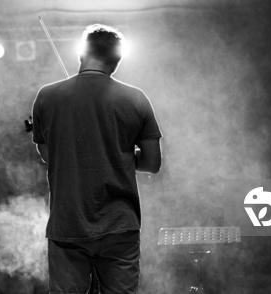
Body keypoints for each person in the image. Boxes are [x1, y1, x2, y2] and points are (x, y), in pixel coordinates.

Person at [32, 24, 163, 294]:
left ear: (82, 54)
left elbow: (47, 155)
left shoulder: (46, 96)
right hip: (119, 226)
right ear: (116, 61)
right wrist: (119, 156)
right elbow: (152, 162)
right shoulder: (136, 98)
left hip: (67, 224)